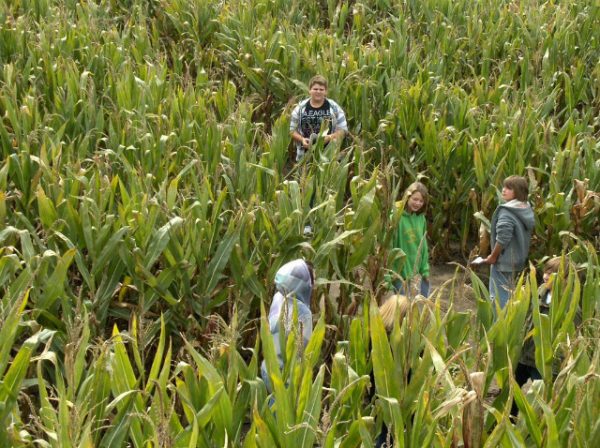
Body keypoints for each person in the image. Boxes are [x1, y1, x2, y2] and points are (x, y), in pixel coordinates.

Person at [260, 259, 315, 393]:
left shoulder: (278, 297)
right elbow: (303, 352)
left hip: (267, 368)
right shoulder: (303, 313)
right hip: (284, 377)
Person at [481, 175, 535, 308]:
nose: (503, 190)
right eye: (504, 187)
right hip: (517, 261)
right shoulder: (525, 208)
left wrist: (493, 257)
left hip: (504, 262)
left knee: (499, 300)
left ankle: (498, 327)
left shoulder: (507, 212)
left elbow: (503, 238)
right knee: (511, 296)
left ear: (518, 191)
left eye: (509, 188)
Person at [289, 75, 348, 162]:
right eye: (315, 89)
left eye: (321, 89)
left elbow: (343, 130)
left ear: (326, 92)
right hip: (305, 156)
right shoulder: (301, 108)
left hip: (328, 156)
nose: (318, 92)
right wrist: (302, 140)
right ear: (310, 90)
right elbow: (291, 130)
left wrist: (329, 138)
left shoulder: (334, 107)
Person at [389, 182, 430, 298]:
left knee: (424, 304)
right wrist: (388, 274)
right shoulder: (395, 216)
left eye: (421, 201)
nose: (418, 203)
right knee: (403, 308)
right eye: (415, 199)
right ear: (407, 197)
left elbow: (423, 245)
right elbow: (388, 246)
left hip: (417, 271)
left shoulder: (421, 218)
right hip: (399, 272)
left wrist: (425, 269)